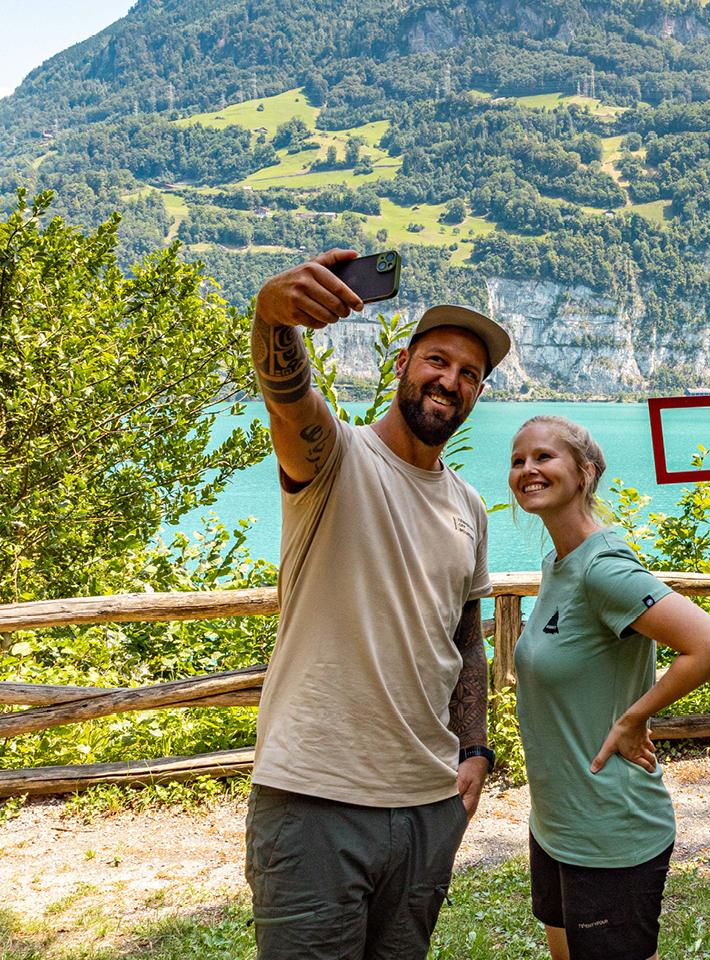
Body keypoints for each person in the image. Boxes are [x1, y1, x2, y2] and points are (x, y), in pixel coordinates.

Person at [246, 248, 511, 959]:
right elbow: (288, 395)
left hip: (426, 806)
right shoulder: (333, 459)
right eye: (436, 360)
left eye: (469, 375)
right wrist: (273, 315)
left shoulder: (468, 507)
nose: (449, 381)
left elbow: (465, 637)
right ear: (401, 364)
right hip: (316, 799)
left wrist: (476, 750)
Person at [508, 415, 710, 960]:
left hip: (611, 830)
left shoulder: (601, 569)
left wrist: (634, 718)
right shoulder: (560, 563)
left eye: (544, 457)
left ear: (585, 473)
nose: (527, 469)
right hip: (557, 822)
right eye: (518, 460)